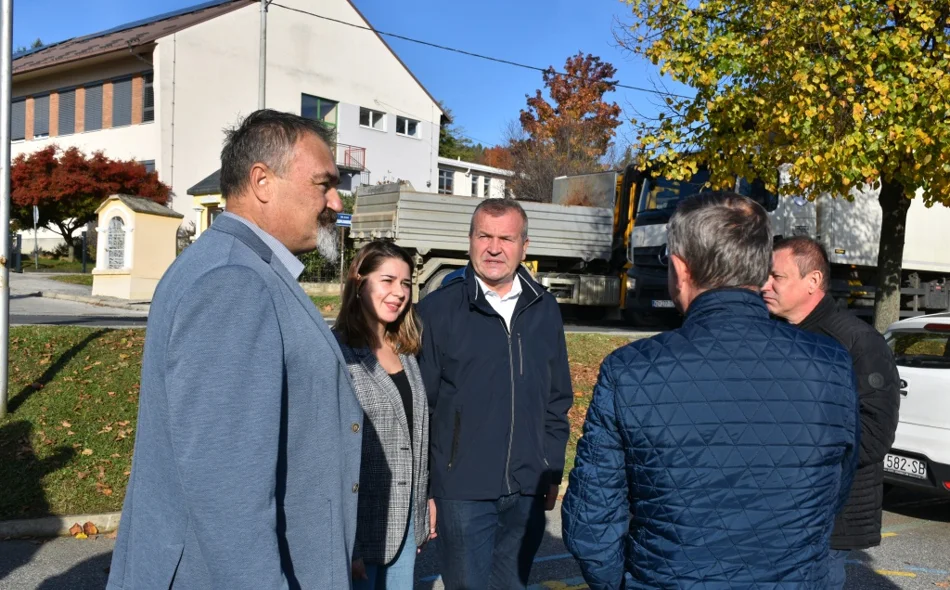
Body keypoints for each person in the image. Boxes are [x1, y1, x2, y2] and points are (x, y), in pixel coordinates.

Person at [107, 109, 364, 589]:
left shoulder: (240, 266)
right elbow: (227, 487)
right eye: (323, 183)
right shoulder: (234, 281)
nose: (335, 200)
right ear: (263, 181)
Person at [562, 191, 860, 590]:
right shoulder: (831, 363)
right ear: (759, 270)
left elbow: (591, 522)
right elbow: (836, 485)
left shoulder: (630, 372)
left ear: (681, 269)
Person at [417, 198, 573, 590]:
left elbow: (557, 398)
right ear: (469, 240)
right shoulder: (437, 311)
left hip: (527, 487)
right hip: (462, 492)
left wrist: (551, 468)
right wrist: (429, 490)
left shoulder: (545, 308)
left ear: (524, 245)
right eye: (484, 235)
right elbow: (423, 407)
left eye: (506, 238)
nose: (494, 247)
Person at [762, 236, 901, 589]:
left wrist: (796, 462)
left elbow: (874, 436)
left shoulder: (858, 342)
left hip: (827, 518)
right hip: (773, 514)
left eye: (777, 277)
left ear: (813, 282)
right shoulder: (769, 335)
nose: (765, 285)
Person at [333, 240, 436, 589]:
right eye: (387, 280)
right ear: (360, 282)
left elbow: (415, 436)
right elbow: (333, 456)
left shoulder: (405, 350)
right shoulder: (339, 353)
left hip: (405, 523)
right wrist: (348, 542)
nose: (399, 293)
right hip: (360, 532)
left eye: (406, 283)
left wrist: (423, 504)